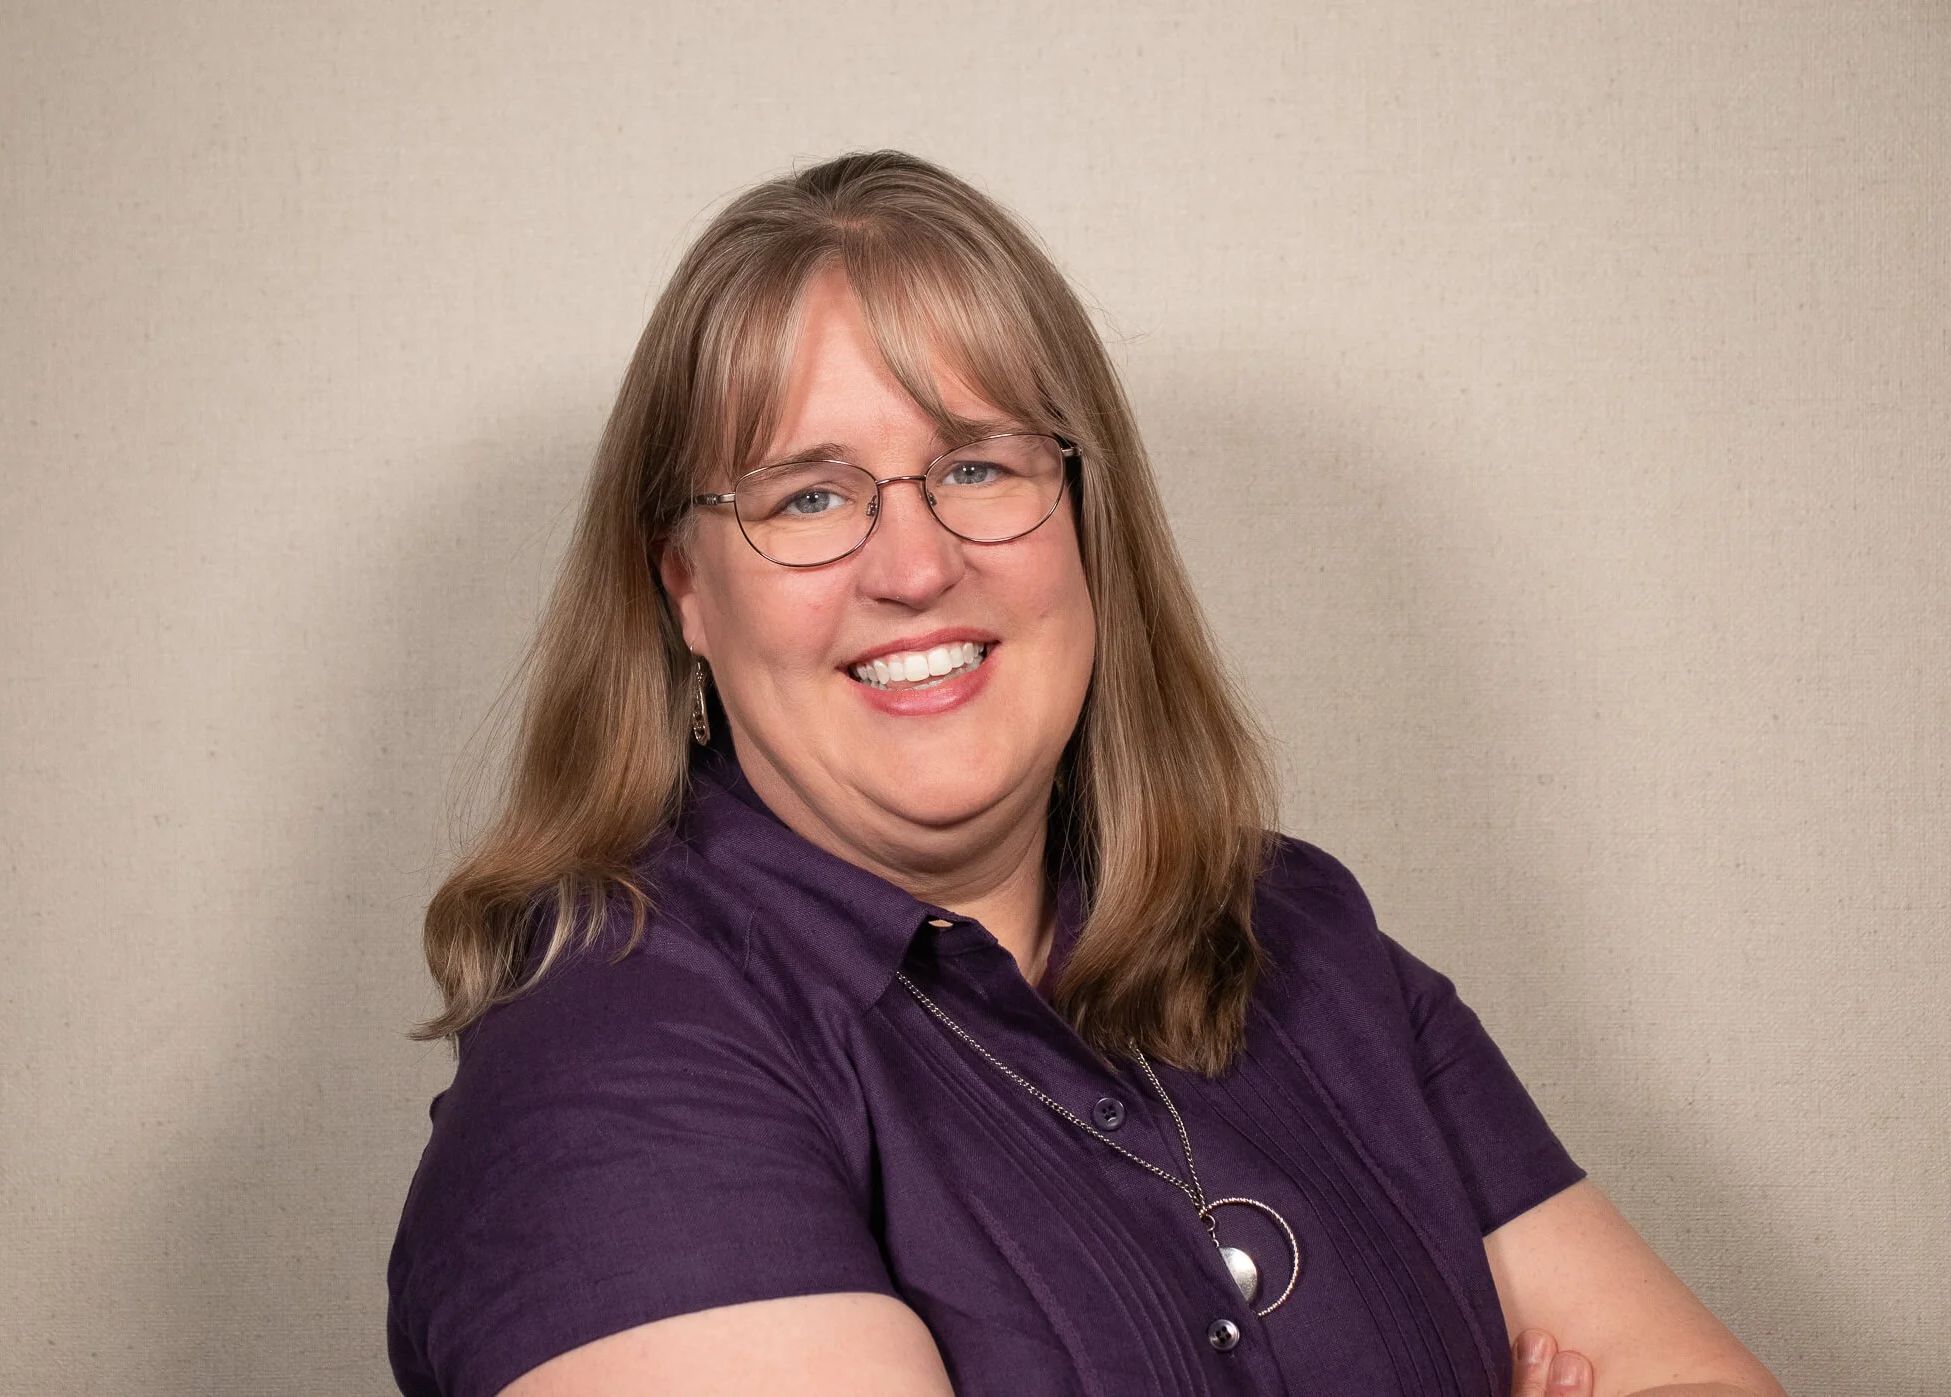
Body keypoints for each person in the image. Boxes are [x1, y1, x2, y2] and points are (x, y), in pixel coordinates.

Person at [386, 151, 1785, 1397]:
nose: (917, 563)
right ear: (685, 585)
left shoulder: (1300, 937)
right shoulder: (612, 1070)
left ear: (1085, 517)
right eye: (808, 496)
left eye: (980, 466)